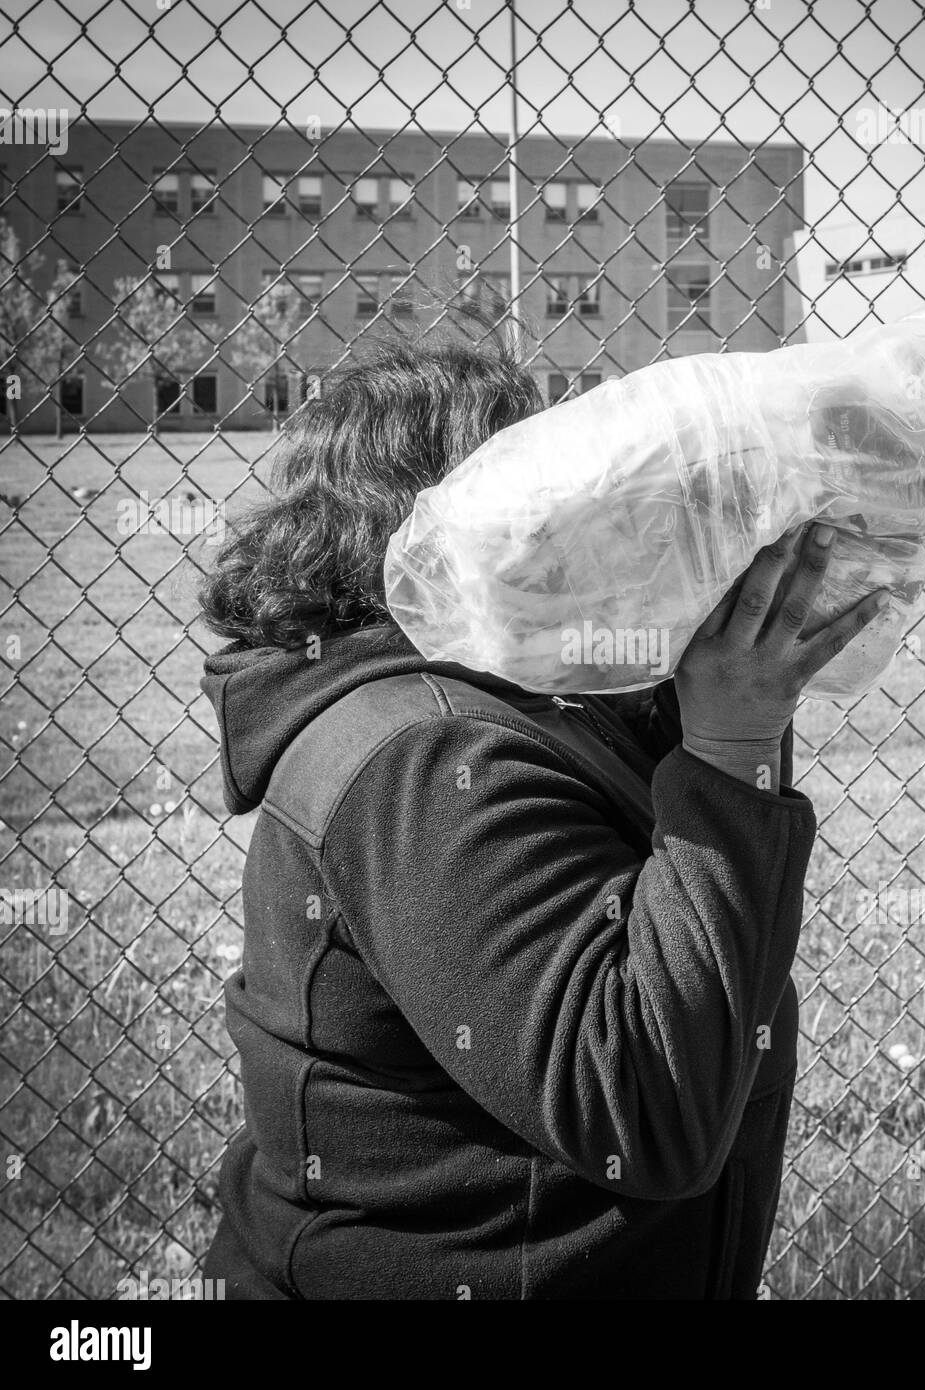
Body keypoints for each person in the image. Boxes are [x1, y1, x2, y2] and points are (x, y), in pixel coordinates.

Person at [198, 300, 887, 1299]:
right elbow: (643, 1104)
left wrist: (719, 614)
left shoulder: (495, 691)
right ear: (434, 526)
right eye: (542, 486)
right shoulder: (421, 757)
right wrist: (733, 741)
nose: (584, 510)